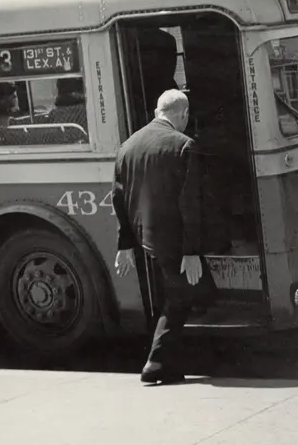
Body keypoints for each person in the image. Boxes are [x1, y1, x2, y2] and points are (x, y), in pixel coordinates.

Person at [111, 88, 216, 385]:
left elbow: (118, 198)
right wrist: (192, 251)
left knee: (187, 291)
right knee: (181, 297)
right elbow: (190, 204)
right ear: (182, 115)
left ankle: (172, 359)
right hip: (173, 240)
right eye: (186, 117)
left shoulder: (127, 147)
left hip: (145, 237)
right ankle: (156, 362)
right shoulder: (184, 146)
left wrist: (125, 245)